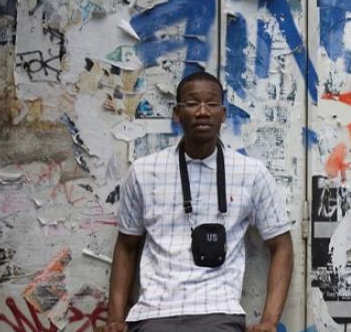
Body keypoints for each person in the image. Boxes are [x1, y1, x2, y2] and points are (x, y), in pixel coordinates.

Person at [101, 72, 296, 332]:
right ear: (177, 113)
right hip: (154, 313)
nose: (202, 112)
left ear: (223, 114)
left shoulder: (252, 173)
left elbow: (281, 245)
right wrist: (115, 320)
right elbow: (126, 246)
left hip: (219, 313)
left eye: (212, 104)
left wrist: (269, 322)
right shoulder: (144, 171)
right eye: (192, 103)